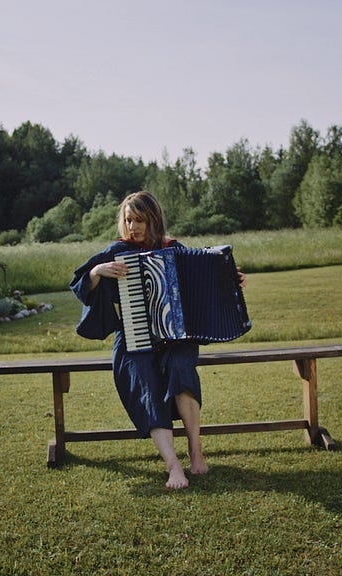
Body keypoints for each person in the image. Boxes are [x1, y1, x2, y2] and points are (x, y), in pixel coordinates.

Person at [70, 191, 246, 489]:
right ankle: (173, 466)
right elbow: (80, 283)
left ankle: (195, 449)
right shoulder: (118, 250)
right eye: (128, 220)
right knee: (145, 383)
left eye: (139, 220)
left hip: (176, 337)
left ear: (154, 220)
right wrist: (98, 272)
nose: (133, 226)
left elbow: (204, 277)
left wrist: (230, 279)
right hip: (133, 335)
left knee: (181, 371)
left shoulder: (173, 248)